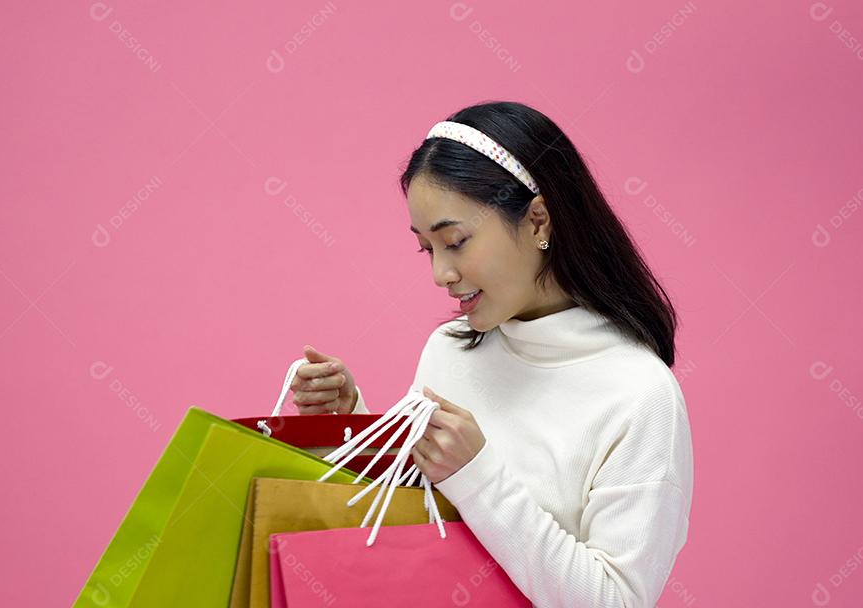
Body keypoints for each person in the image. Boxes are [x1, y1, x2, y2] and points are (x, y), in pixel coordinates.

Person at [288, 101, 693, 608]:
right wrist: (348, 427)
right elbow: (408, 525)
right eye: (426, 249)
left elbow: (615, 601)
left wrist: (479, 478)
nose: (441, 274)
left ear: (538, 221)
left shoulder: (640, 396)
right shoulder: (450, 350)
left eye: (455, 241)